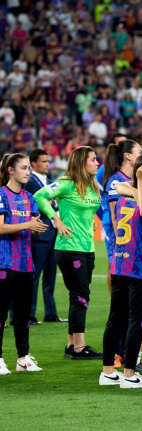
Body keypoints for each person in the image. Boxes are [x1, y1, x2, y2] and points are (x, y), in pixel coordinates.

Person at [34, 146, 103, 360]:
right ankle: (79, 348)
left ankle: (71, 345)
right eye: (93, 159)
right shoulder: (65, 184)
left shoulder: (91, 186)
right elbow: (39, 195)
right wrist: (56, 219)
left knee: (78, 295)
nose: (97, 163)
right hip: (69, 248)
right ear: (82, 163)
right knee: (81, 296)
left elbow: (85, 210)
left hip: (87, 248)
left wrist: (88, 220)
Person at [99, 154, 142, 388]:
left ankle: (107, 372)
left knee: (115, 318)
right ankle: (129, 374)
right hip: (138, 265)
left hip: (119, 262)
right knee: (137, 320)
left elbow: (118, 186)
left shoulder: (124, 197)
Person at [0, 154, 48, 375]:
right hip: (4, 262)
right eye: (23, 168)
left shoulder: (29, 197)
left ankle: (22, 358)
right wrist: (28, 223)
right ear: (10, 170)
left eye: (29, 168)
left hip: (25, 263)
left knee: (23, 315)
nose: (28, 172)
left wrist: (38, 225)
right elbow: (0, 227)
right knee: (1, 314)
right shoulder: (1, 194)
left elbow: (35, 221)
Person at [25, 149, 64, 324]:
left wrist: (51, 202)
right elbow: (34, 202)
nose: (47, 164)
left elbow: (52, 203)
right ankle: (29, 314)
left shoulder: (49, 181)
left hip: (53, 232)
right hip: (39, 233)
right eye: (43, 161)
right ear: (33, 163)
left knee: (50, 274)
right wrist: (49, 202)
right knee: (34, 275)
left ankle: (50, 313)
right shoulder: (30, 181)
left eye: (48, 161)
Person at [102, 138, 141, 293]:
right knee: (122, 287)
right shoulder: (116, 181)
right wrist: (121, 243)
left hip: (134, 240)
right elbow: (114, 216)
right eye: (139, 152)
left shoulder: (133, 179)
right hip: (123, 242)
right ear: (128, 156)